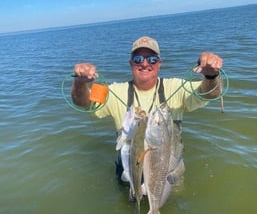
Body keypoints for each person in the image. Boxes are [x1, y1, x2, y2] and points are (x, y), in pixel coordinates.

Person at [71, 36, 223, 181]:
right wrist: (80, 83)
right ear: (131, 63)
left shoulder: (175, 87)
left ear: (159, 63)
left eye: (151, 59)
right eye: (138, 59)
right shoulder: (112, 90)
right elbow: (83, 103)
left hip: (167, 173)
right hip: (131, 172)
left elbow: (209, 94)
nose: (144, 64)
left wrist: (210, 76)